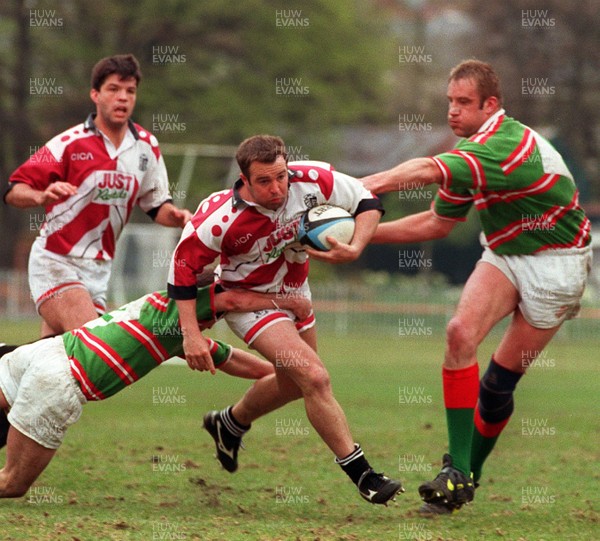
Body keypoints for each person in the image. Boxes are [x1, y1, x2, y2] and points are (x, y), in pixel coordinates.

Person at [361, 59, 593, 514]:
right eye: (450, 101)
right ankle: (456, 475)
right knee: (459, 334)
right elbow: (435, 222)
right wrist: (359, 234)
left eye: (463, 103)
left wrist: (358, 187)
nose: (452, 111)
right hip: (506, 253)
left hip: (557, 265)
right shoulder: (473, 152)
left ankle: (467, 476)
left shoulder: (503, 145)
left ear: (491, 105)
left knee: (496, 388)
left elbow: (428, 170)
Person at [167, 134, 403, 505]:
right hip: (251, 304)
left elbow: (366, 200)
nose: (277, 188)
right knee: (314, 376)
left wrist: (355, 247)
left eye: (281, 176)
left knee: (294, 385)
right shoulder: (217, 218)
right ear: (244, 180)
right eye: (264, 181)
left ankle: (229, 423)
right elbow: (181, 270)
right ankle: (364, 476)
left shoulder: (310, 179)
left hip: (296, 296)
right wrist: (190, 334)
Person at [0, 282, 312, 498]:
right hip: (60, 378)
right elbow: (232, 299)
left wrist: (295, 377)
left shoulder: (167, 322)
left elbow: (233, 361)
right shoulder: (183, 307)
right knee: (12, 483)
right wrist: (286, 301)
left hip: (41, 354)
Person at [4, 54, 192, 338]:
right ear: (95, 94)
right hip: (56, 261)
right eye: (114, 89)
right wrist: (41, 195)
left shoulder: (146, 147)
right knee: (95, 347)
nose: (123, 98)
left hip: (99, 271)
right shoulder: (68, 143)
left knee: (56, 366)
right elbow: (13, 189)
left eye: (130, 91)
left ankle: (5, 363)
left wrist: (176, 217)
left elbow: (156, 207)